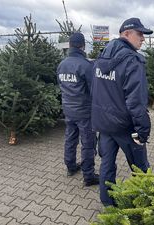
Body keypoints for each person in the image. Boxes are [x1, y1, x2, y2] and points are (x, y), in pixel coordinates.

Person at [91, 18, 153, 205]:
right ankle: (146, 206)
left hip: (105, 125)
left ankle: (108, 204)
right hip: (126, 127)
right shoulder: (133, 61)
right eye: (139, 34)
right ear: (126, 34)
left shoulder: (100, 59)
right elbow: (136, 102)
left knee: (107, 165)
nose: (143, 38)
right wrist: (142, 131)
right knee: (141, 168)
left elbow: (95, 92)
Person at [57, 32, 99, 186]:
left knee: (70, 139)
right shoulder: (86, 65)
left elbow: (61, 86)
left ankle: (70, 166)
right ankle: (88, 176)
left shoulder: (62, 64)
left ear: (69, 45)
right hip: (84, 112)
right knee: (88, 143)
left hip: (68, 109)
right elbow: (93, 90)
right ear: (83, 45)